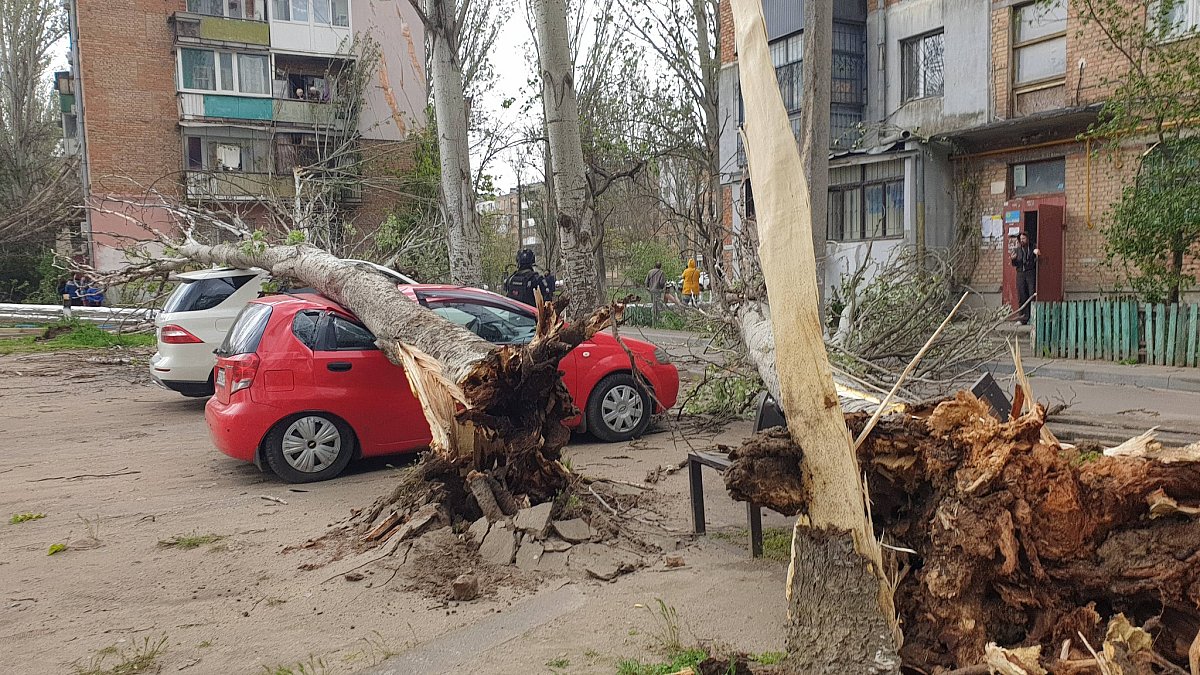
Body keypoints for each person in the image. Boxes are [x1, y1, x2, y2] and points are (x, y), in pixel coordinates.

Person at [1010, 232, 1039, 325]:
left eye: (1024, 239)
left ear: (1027, 239)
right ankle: (1022, 318)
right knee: (1022, 295)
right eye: (1021, 239)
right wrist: (1013, 259)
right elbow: (1014, 264)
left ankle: (1033, 317)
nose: (1022, 240)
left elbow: (1037, 259)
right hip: (1020, 274)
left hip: (1030, 273)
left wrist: (1037, 254)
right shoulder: (1017, 250)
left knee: (1031, 295)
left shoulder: (1032, 247)